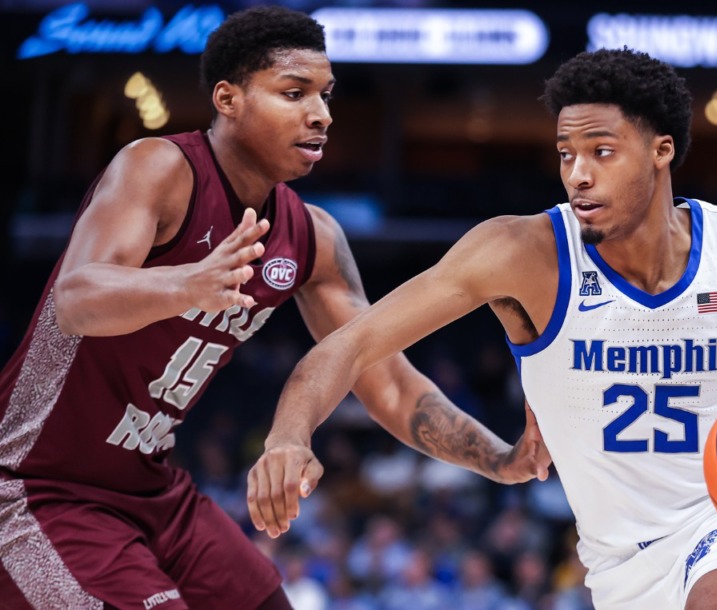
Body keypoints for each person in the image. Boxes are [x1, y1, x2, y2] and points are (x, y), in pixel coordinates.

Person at [248, 48, 717, 609]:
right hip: (619, 565)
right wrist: (287, 434)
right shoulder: (522, 253)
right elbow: (350, 345)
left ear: (660, 151)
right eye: (566, 153)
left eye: (601, 151)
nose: (578, 174)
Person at [0, 6, 548, 610]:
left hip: (153, 489)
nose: (321, 114)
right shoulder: (158, 167)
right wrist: (188, 284)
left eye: (326, 95)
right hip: (34, 488)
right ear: (228, 98)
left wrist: (498, 459)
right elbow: (75, 300)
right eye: (294, 93)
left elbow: (386, 383)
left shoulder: (313, 236)